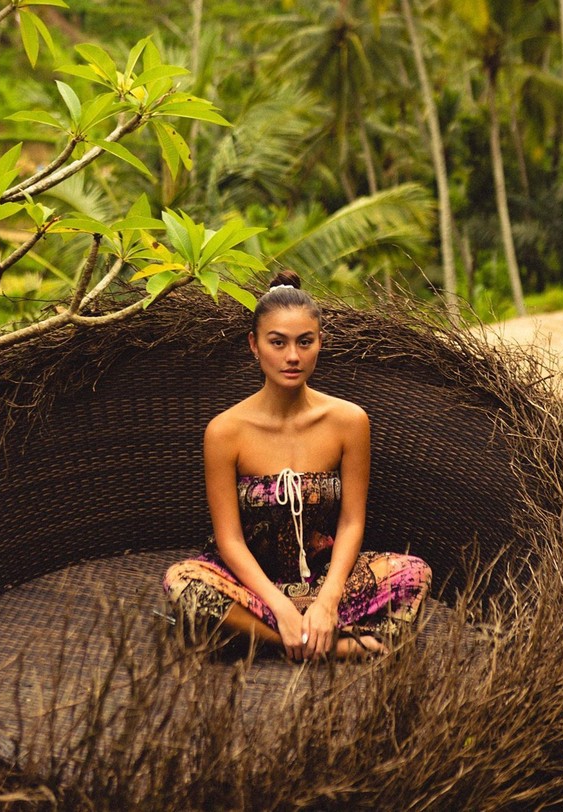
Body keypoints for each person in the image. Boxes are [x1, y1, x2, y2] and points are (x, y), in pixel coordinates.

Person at [163, 271, 431, 660]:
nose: (292, 356)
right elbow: (230, 539)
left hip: (326, 579)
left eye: (305, 342)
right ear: (254, 346)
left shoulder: (349, 421)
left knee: (414, 572)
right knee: (183, 581)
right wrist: (279, 606)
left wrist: (327, 599)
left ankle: (273, 636)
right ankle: (326, 646)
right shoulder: (224, 432)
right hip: (252, 586)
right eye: (278, 342)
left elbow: (353, 521)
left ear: (320, 343)